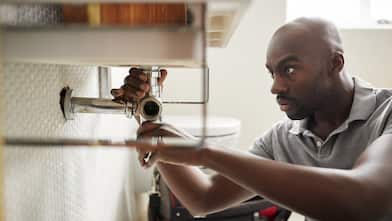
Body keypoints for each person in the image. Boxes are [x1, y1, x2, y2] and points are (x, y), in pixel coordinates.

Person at [111, 17, 392, 221]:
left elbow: (366, 203)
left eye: (290, 70)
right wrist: (149, 113)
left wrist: (206, 153)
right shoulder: (283, 139)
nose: (275, 87)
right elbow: (203, 198)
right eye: (273, 73)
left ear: (335, 63)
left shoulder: (387, 113)